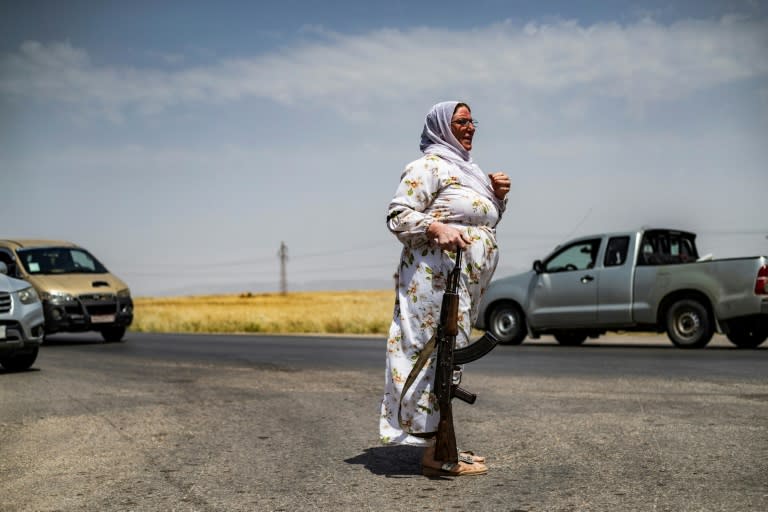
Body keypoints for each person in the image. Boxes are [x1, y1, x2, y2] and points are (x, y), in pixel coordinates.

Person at [379, 101, 511, 476]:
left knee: (449, 360)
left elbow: (484, 221)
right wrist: (436, 229)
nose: (470, 127)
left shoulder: (467, 171)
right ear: (441, 126)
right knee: (434, 358)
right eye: (461, 121)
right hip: (433, 284)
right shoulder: (427, 167)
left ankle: (444, 442)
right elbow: (398, 215)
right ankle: (437, 455)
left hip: (461, 284)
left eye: (472, 121)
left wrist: (498, 197)